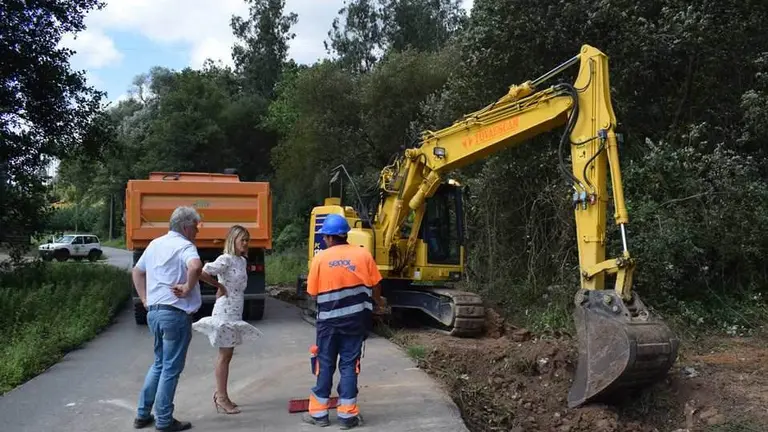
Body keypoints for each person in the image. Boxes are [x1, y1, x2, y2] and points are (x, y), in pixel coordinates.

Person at [132, 206, 215, 431]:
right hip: (175, 315)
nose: (197, 232)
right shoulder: (185, 246)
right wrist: (188, 287)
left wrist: (145, 300)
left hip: (155, 313)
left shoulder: (155, 244)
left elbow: (137, 272)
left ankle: (142, 415)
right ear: (187, 227)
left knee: (159, 363)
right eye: (196, 228)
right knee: (170, 368)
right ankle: (164, 420)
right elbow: (196, 266)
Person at [303, 213, 386, 430]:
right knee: (349, 365)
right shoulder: (363, 255)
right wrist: (376, 303)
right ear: (345, 235)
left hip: (328, 324)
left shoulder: (320, 259)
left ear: (329, 238)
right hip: (356, 322)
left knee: (325, 364)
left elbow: (312, 293)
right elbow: (376, 285)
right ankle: (347, 416)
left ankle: (319, 415)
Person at [190, 224, 264, 414]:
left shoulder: (241, 261)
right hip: (225, 311)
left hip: (235, 310)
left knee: (228, 354)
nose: (246, 244)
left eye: (248, 240)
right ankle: (221, 397)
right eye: (243, 240)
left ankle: (222, 395)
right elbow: (201, 271)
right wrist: (219, 286)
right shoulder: (226, 259)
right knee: (225, 355)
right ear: (233, 241)